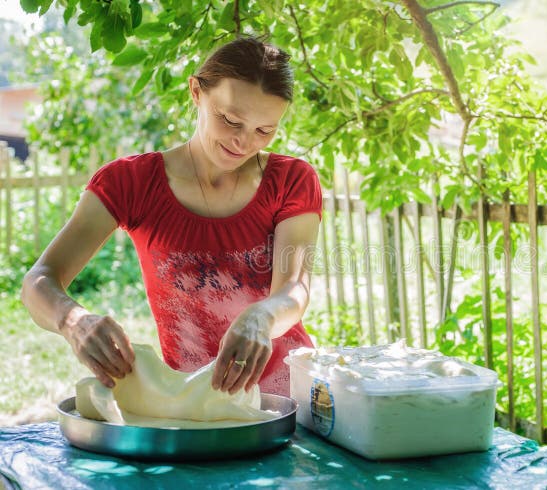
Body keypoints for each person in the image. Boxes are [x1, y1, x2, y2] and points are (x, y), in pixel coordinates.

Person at [20, 37, 322, 397]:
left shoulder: (292, 180)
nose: (242, 142)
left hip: (295, 399)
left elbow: (294, 290)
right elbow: (39, 280)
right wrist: (74, 322)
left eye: (264, 131)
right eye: (230, 119)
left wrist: (263, 316)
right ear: (196, 91)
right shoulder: (130, 183)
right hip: (198, 404)